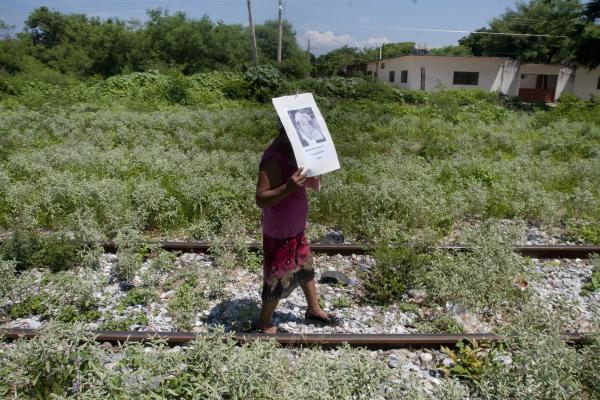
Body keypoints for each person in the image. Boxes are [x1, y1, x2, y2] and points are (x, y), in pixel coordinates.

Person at [254, 121, 335, 334]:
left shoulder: (295, 152)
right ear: (287, 132)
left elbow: (302, 182)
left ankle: (314, 309)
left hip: (294, 227)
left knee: (305, 266)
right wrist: (288, 187)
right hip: (280, 230)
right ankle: (264, 322)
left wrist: (313, 175)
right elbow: (261, 199)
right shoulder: (273, 158)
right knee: (277, 278)